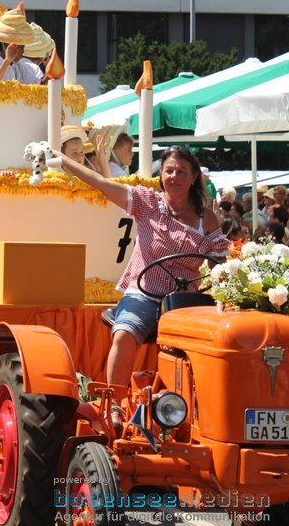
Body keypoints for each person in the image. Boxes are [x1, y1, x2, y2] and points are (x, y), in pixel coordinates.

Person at [59, 144, 229, 425]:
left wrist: (228, 278)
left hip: (185, 302)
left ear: (194, 176)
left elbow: (220, 260)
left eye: (182, 172)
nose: (174, 177)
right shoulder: (146, 201)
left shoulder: (206, 218)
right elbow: (101, 183)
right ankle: (113, 402)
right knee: (124, 334)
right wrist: (63, 159)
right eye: (169, 171)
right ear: (161, 175)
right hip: (144, 293)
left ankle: (202, 410)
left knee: (211, 342)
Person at [0, 7, 43, 84]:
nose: (23, 52)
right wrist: (7, 60)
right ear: (9, 46)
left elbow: (37, 84)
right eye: (21, 48)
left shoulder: (20, 67)